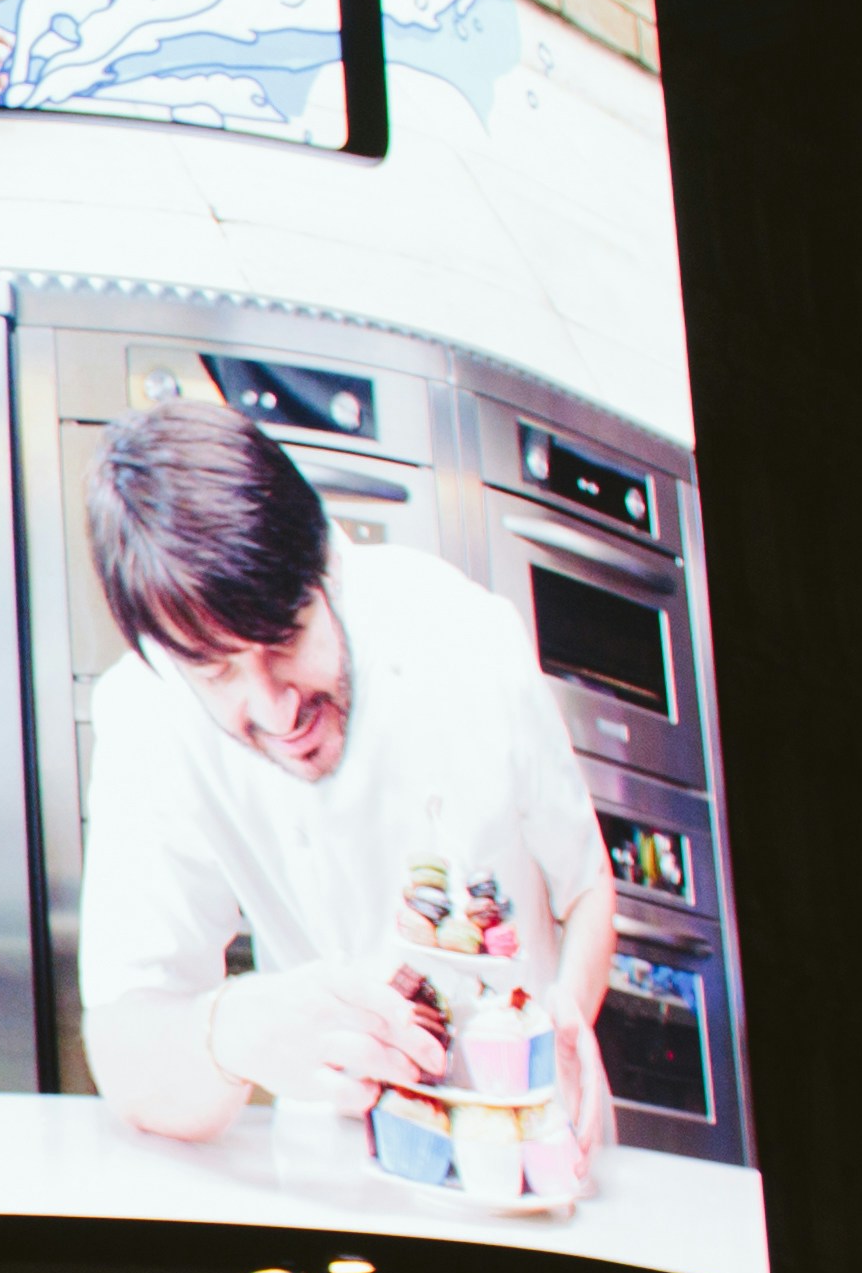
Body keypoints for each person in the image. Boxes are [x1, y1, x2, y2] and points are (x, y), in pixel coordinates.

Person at [66, 399, 626, 1175]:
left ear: (327, 565)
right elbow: (126, 1035)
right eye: (217, 671)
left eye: (286, 638)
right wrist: (237, 1029)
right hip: (341, 1171)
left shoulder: (465, 634)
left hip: (535, 1139)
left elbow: (588, 886)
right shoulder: (149, 715)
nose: (275, 709)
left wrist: (569, 1012)